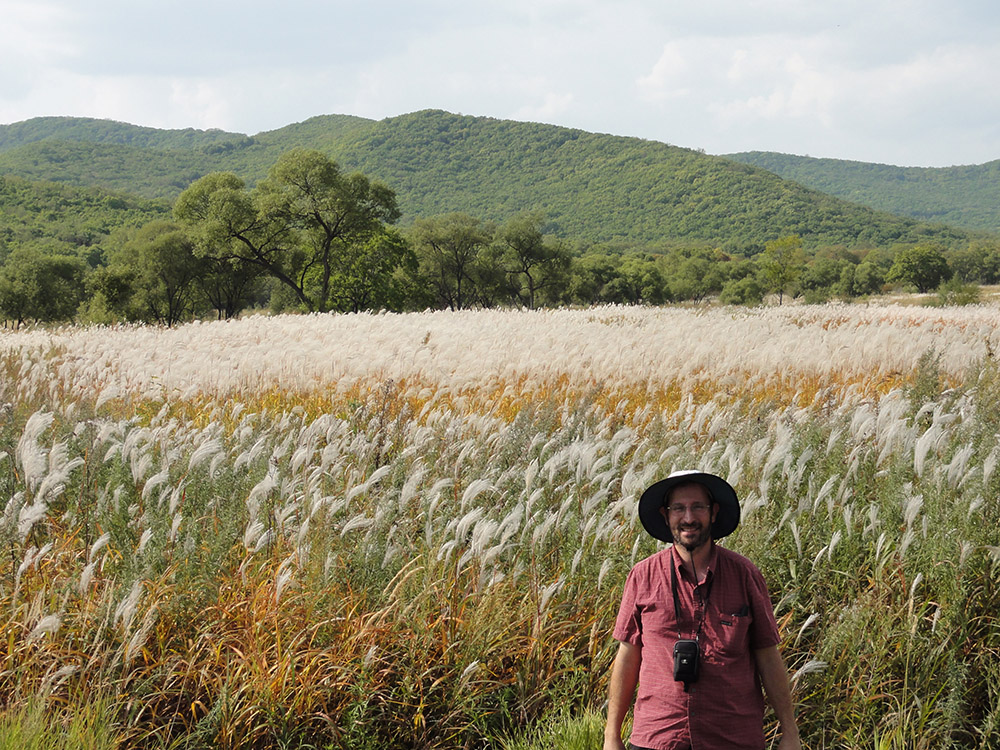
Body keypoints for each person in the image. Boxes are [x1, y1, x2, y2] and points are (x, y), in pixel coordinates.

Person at [604, 470, 801, 750]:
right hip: (659, 737)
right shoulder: (643, 575)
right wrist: (611, 736)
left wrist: (790, 733)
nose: (688, 518)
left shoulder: (744, 575)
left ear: (714, 512)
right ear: (665, 514)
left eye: (698, 507)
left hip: (732, 738)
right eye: (679, 508)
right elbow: (627, 656)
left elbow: (768, 656)